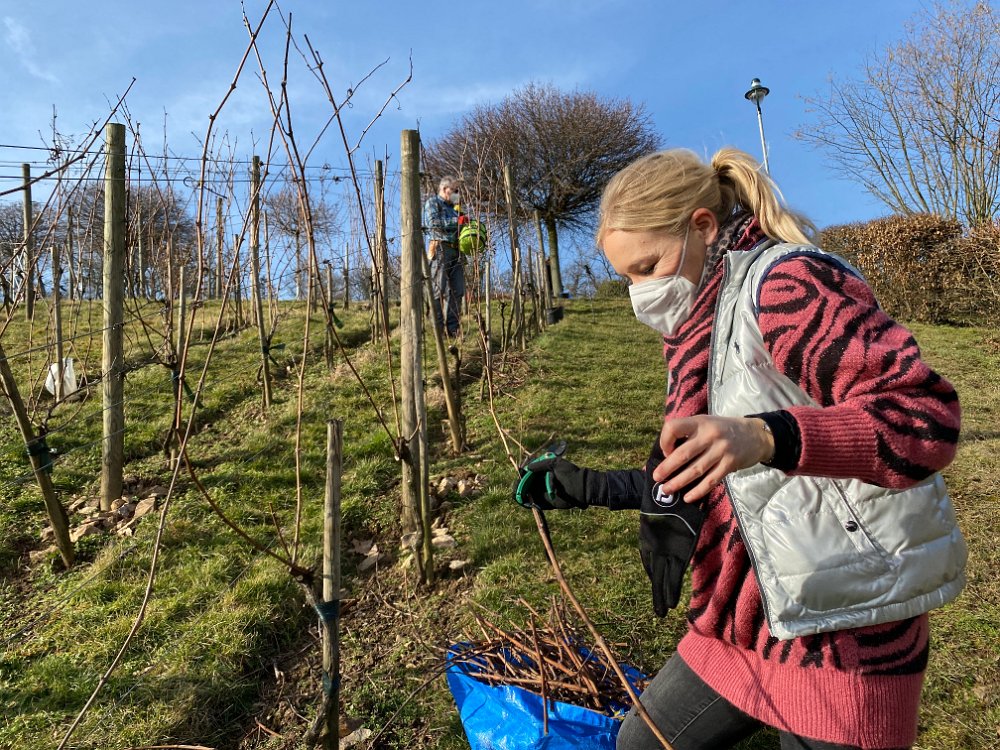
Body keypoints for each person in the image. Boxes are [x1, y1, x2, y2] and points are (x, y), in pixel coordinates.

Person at [513, 147, 966, 750]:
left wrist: (767, 435)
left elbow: (925, 419)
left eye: (648, 266)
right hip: (741, 619)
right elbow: (709, 469)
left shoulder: (786, 285)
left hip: (843, 628)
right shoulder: (697, 326)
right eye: (628, 278)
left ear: (702, 226)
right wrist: (585, 487)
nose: (640, 292)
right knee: (641, 744)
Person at [423, 176, 466, 337]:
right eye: (454, 190)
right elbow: (433, 223)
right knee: (437, 289)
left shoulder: (455, 208)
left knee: (458, 290)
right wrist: (457, 221)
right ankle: (438, 328)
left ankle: (453, 330)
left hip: (457, 250)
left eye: (457, 191)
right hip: (440, 247)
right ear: (444, 189)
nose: (456, 194)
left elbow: (461, 226)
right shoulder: (433, 203)